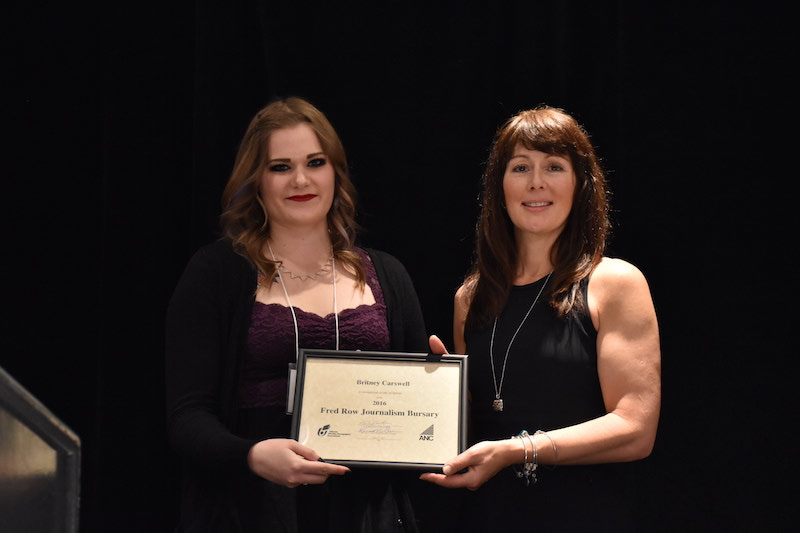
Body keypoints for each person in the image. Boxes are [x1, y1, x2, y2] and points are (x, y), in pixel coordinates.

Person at [165, 96, 432, 532]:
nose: (301, 179)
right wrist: (252, 456)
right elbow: (187, 416)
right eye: (280, 167)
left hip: (365, 513)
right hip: (252, 509)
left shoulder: (389, 274)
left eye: (315, 162)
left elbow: (418, 427)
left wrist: (434, 384)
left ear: (335, 172)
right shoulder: (215, 273)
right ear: (257, 181)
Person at [421, 106, 661, 531]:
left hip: (583, 516)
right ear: (499, 187)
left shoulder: (614, 283)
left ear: (580, 185)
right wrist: (438, 394)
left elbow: (635, 429)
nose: (536, 182)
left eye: (554, 166)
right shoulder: (469, 298)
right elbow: (475, 426)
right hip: (489, 518)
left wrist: (519, 450)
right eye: (520, 167)